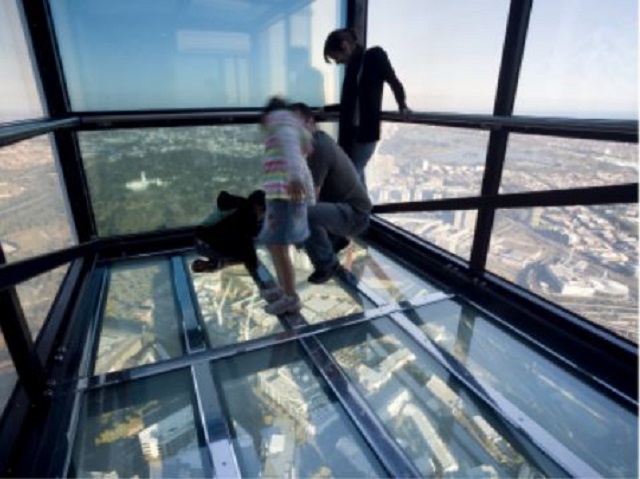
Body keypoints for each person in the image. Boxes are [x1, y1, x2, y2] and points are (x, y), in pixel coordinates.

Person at [290, 102, 372, 284]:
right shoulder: (316, 141)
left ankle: (326, 264)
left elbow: (311, 199)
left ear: (310, 122)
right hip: (342, 208)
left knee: (303, 215)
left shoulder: (317, 148)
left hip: (354, 215)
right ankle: (335, 239)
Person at [323, 28, 410, 189]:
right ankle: (363, 211)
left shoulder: (375, 56)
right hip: (350, 133)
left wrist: (402, 106)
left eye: (337, 57)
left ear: (345, 46)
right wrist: (328, 109)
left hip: (366, 133)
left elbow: (393, 81)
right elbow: (353, 102)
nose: (338, 62)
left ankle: (358, 210)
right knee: (357, 176)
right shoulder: (352, 68)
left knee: (350, 177)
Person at [257, 97, 315, 315]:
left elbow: (293, 153)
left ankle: (290, 297)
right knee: (274, 245)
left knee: (279, 246)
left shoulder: (282, 125)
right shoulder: (284, 127)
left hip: (284, 197)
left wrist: (295, 179)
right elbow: (302, 154)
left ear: (267, 115)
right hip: (278, 196)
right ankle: (283, 290)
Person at [191, 189, 265, 274]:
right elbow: (244, 240)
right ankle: (218, 264)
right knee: (239, 254)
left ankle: (217, 263)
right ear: (257, 207)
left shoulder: (239, 204)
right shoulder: (246, 215)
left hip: (201, 240)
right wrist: (253, 266)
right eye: (263, 213)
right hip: (206, 244)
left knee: (237, 252)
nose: (262, 216)